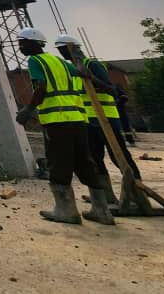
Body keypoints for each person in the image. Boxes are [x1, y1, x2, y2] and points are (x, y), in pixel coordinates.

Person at [14, 28, 113, 225]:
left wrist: (28, 109)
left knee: (58, 163)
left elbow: (41, 87)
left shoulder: (35, 61)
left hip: (57, 121)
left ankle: (66, 210)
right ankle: (102, 210)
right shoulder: (59, 61)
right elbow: (83, 73)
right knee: (85, 162)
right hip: (78, 120)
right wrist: (108, 86)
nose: (20, 47)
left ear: (33, 43)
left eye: (22, 43)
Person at [55, 34, 141, 206]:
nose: (61, 53)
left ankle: (137, 193)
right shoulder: (74, 69)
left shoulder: (92, 65)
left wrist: (92, 78)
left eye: (63, 49)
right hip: (88, 121)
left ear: (72, 48)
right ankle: (106, 195)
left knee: (119, 156)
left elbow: (111, 90)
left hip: (106, 119)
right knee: (94, 159)